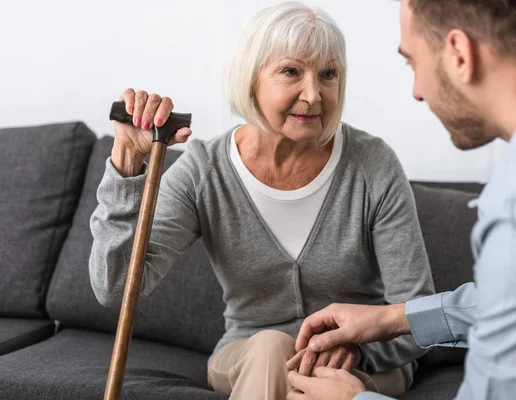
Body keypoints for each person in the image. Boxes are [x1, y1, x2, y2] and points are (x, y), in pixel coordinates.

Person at [88, 2, 434, 400]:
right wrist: (129, 163)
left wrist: (359, 346)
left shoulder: (372, 165)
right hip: (247, 352)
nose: (313, 94)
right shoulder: (205, 171)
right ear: (250, 79)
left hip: (363, 359)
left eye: (328, 74)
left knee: (316, 378)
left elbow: (418, 312)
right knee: (271, 347)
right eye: (291, 71)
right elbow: (114, 288)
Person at [288, 0, 516, 399]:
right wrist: (394, 318)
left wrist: (352, 399)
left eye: (412, 63)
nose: (417, 91)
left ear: (459, 54)